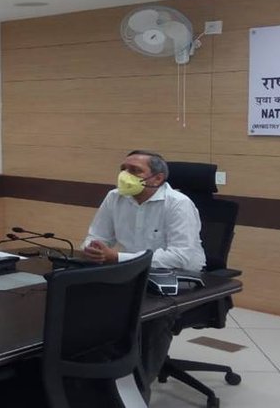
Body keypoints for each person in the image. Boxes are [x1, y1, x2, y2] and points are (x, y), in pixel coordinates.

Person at [82, 149, 205, 399]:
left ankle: (137, 391)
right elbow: (97, 236)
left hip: (179, 276)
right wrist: (93, 248)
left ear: (157, 178)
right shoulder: (114, 197)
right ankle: (97, 377)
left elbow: (181, 256)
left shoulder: (178, 204)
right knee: (88, 303)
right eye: (123, 169)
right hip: (132, 272)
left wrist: (117, 258)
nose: (125, 175)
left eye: (134, 170)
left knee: (153, 318)